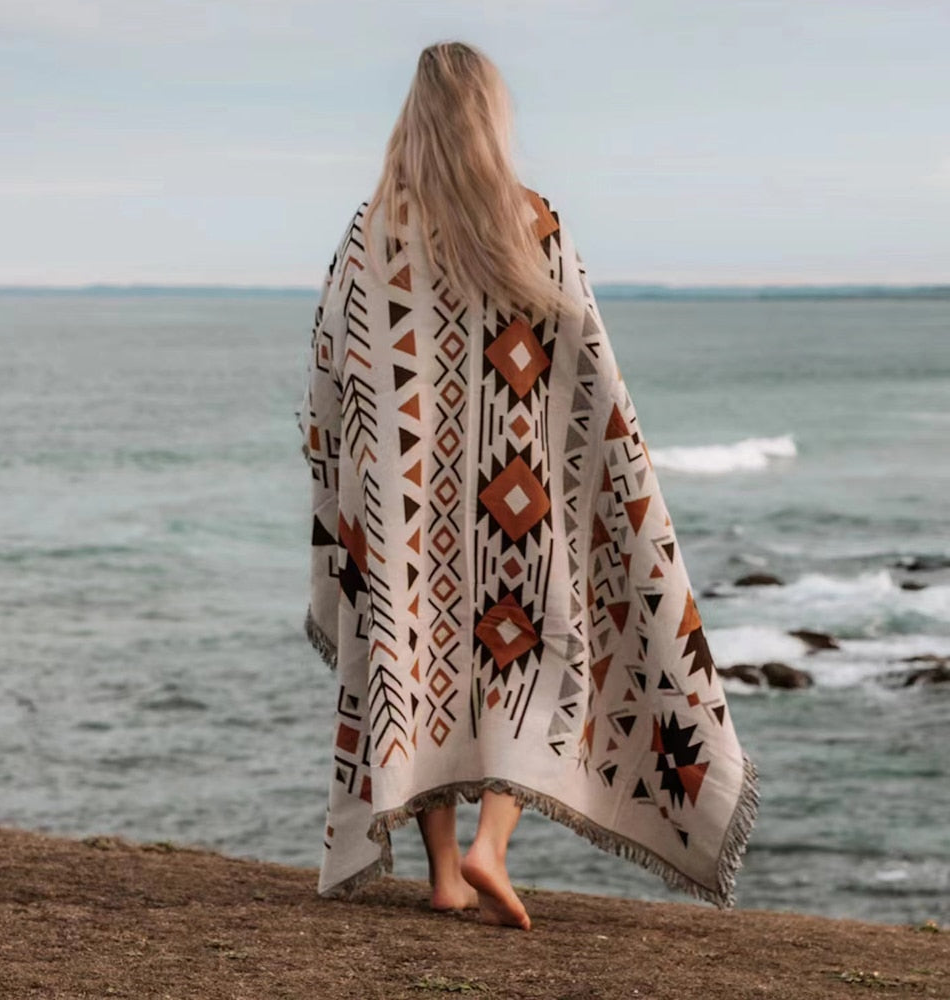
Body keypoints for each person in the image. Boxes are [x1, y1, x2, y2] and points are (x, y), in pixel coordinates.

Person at [298, 41, 759, 931]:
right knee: (541, 657)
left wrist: (357, 472)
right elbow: (592, 371)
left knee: (414, 663)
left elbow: (329, 369)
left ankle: (442, 870)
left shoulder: (373, 229)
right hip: (524, 506)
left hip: (408, 515)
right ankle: (490, 850)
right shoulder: (536, 224)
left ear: (414, 117)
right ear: (490, 117)